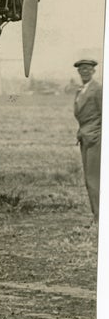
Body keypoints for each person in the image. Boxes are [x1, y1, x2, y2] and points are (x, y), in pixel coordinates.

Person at [73, 58, 101, 220]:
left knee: (94, 178)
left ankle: (99, 216)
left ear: (93, 71)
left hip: (96, 138)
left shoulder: (98, 89)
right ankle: (96, 214)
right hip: (85, 137)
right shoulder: (81, 90)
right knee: (89, 178)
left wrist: (97, 133)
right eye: (81, 69)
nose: (84, 71)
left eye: (87, 69)